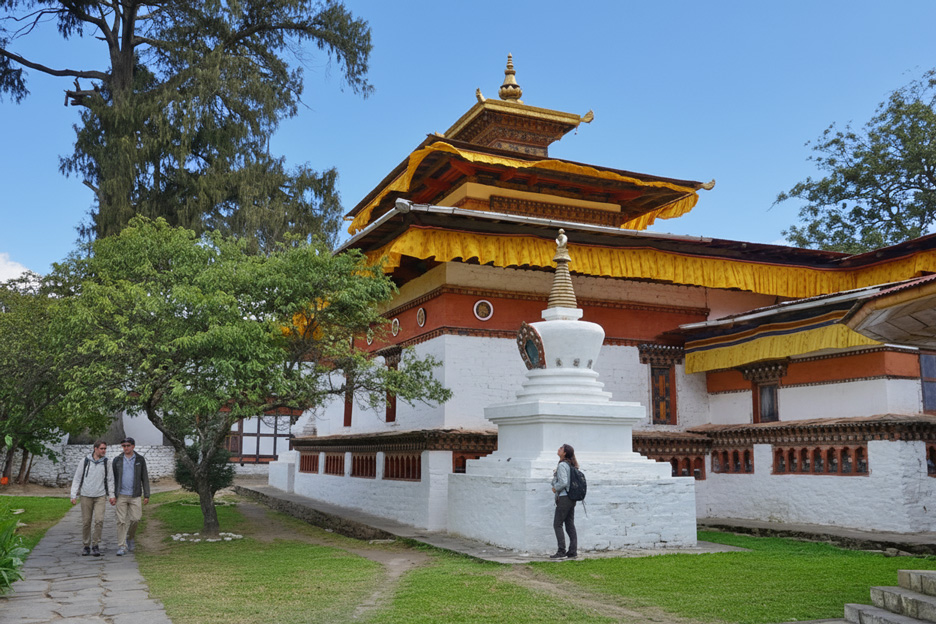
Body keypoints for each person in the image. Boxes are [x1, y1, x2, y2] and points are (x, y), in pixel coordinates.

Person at [69, 440, 116, 556]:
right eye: (102, 448)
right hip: (86, 495)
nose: (104, 451)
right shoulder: (85, 461)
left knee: (99, 520)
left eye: (105, 449)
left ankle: (95, 544)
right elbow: (77, 478)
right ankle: (86, 545)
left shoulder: (107, 463)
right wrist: (73, 495)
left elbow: (110, 479)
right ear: (95, 449)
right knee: (86, 522)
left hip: (100, 495)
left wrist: (112, 495)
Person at [112, 437, 150, 556]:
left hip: (135, 495)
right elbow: (112, 478)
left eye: (128, 445)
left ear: (133, 446)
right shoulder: (117, 460)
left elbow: (145, 477)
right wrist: (112, 494)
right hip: (121, 495)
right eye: (123, 446)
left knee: (135, 519)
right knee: (121, 521)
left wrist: (147, 494)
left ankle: (130, 537)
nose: (126, 448)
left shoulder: (139, 459)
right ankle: (122, 546)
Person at [550, 443, 578, 559]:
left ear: (565, 453)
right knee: (570, 525)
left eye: (561, 448)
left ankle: (561, 550)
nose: (558, 449)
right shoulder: (571, 465)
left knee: (557, 524)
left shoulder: (562, 465)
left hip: (564, 497)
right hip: (572, 498)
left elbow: (563, 482)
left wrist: (555, 487)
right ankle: (572, 551)